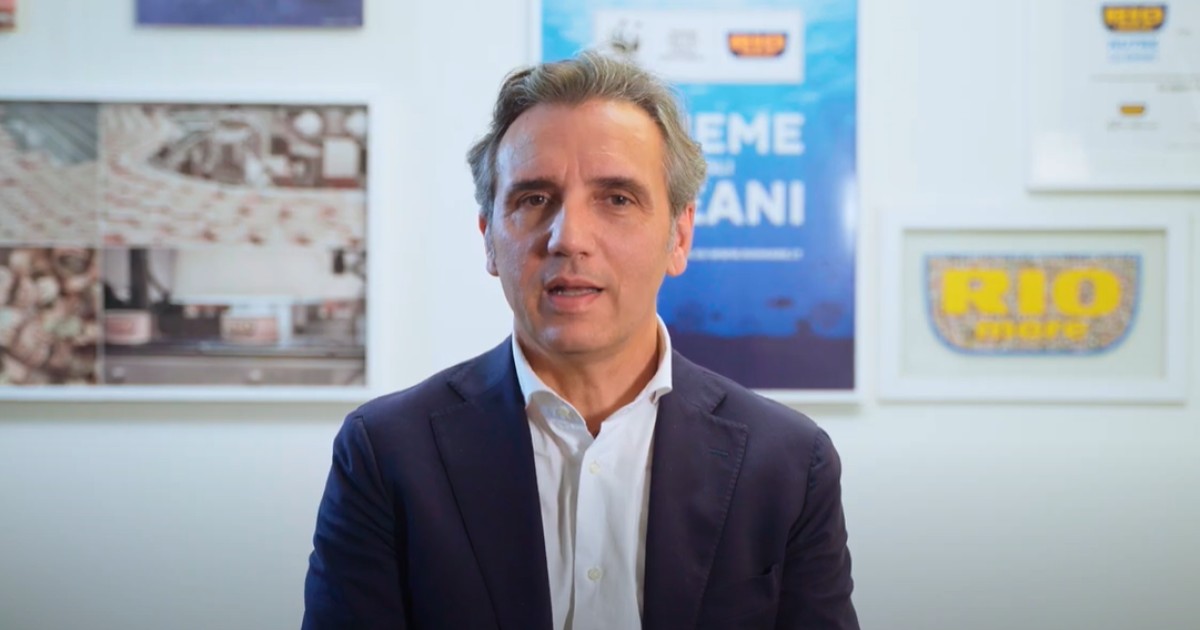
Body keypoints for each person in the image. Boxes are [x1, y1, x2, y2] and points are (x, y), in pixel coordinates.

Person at [302, 51, 858, 630]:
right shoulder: (386, 453)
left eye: (616, 199)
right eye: (534, 199)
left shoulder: (788, 463)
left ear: (679, 236)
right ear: (489, 239)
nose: (569, 238)